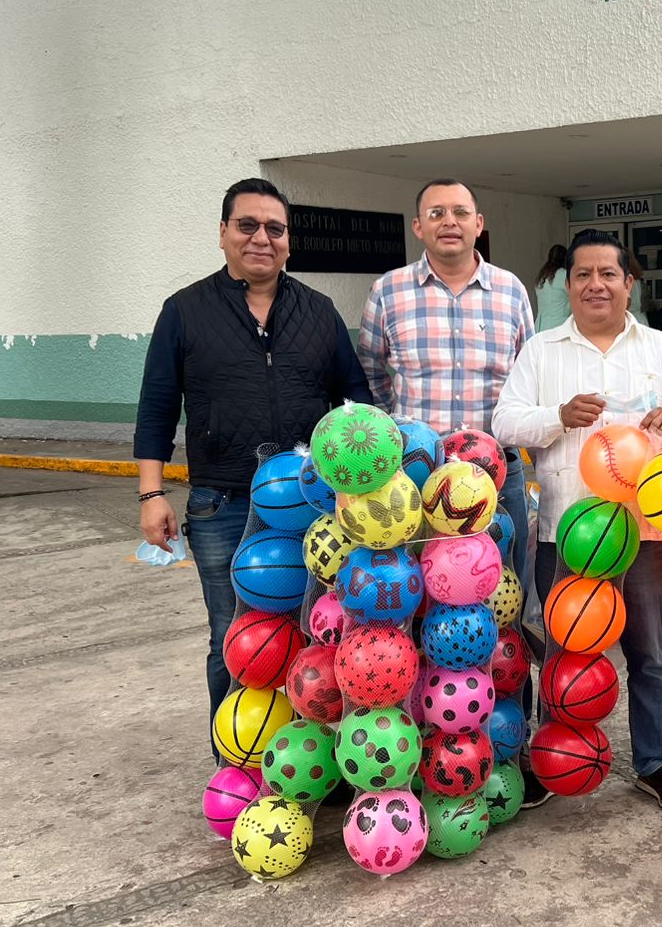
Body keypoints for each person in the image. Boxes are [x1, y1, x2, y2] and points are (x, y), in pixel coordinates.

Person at [134, 177, 372, 762]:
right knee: (236, 640)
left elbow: (357, 402)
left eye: (275, 229)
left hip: (312, 509)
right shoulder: (185, 311)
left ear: (289, 241)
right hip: (222, 503)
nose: (261, 238)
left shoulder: (316, 312)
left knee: (318, 634)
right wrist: (150, 494)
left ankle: (311, 762)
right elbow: (157, 406)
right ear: (222, 234)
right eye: (247, 226)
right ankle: (237, 766)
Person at [493, 228, 662, 815]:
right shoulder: (542, 351)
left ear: (629, 283)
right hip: (567, 535)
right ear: (567, 286)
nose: (596, 285)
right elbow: (506, 423)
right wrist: (557, 416)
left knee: (650, 652)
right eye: (583, 276)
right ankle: (553, 758)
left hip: (643, 534)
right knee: (565, 651)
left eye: (608, 274)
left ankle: (655, 762)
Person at [358, 179, 536, 595]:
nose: (448, 222)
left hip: (496, 474)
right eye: (436, 213)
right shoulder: (389, 290)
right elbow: (369, 369)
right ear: (418, 226)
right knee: (416, 587)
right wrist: (400, 429)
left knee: (501, 586)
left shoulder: (510, 291)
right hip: (415, 475)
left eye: (459, 212)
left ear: (478, 223)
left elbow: (528, 377)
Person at [535, 244, 571, 331]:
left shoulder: (542, 276)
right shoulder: (565, 275)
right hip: (558, 327)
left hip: (540, 328)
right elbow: (577, 298)